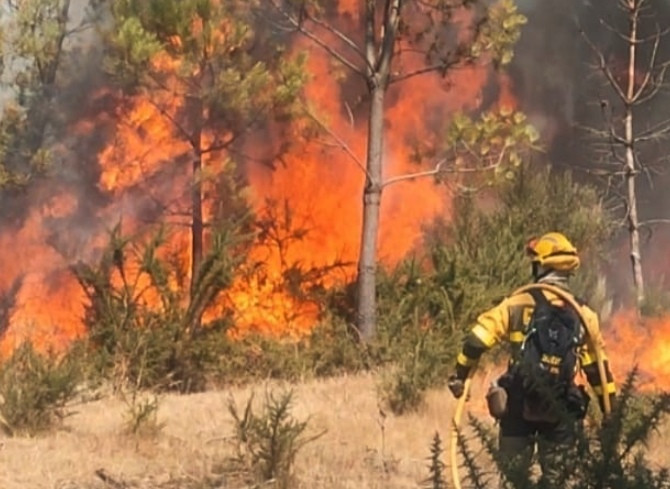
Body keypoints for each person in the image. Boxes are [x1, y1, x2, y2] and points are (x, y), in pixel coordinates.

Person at [447, 232, 616, 485]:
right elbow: (598, 371)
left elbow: (476, 339)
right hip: (561, 408)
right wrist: (610, 415)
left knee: (515, 478)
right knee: (559, 480)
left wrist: (460, 375)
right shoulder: (584, 314)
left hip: (518, 404)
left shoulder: (517, 302)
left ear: (541, 265)